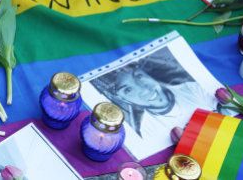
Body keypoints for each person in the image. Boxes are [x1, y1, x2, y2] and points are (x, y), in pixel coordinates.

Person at [90, 50, 218, 138]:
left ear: (148, 74)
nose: (144, 89)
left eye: (139, 76)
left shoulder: (193, 89)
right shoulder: (148, 131)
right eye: (128, 90)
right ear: (125, 100)